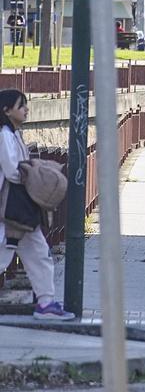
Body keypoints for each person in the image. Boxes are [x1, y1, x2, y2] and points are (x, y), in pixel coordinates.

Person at [0, 90, 74, 320]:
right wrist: (35, 170)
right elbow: (13, 171)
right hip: (10, 209)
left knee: (38, 253)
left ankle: (46, 303)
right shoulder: (4, 136)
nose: (26, 109)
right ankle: (45, 303)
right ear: (6, 110)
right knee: (16, 254)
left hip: (17, 211)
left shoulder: (12, 135)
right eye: (21, 105)